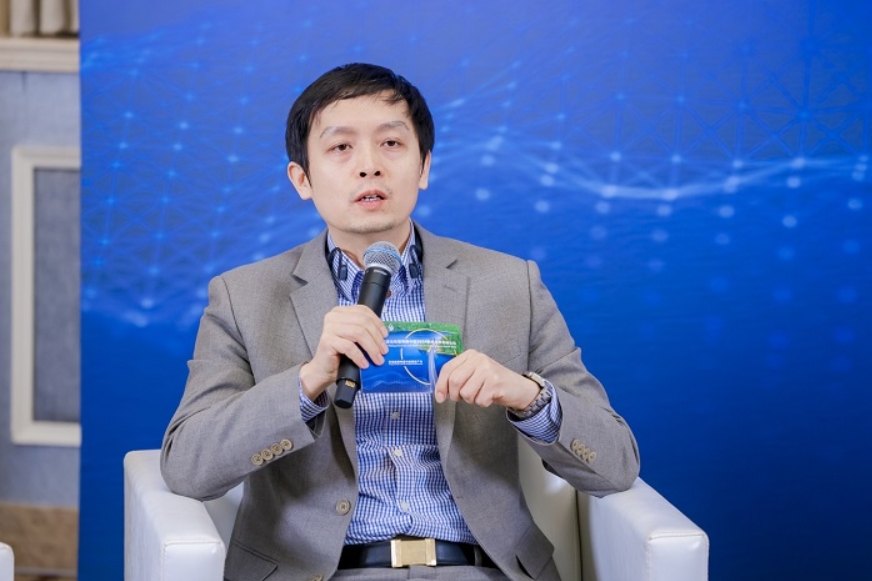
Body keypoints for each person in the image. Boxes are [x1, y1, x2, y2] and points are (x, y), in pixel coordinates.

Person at [161, 62, 640, 581]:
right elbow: (188, 467)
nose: (369, 166)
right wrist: (308, 381)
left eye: (391, 144)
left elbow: (616, 464)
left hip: (480, 570)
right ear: (302, 179)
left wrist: (526, 395)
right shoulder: (243, 297)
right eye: (341, 147)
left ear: (424, 167)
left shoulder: (510, 285)